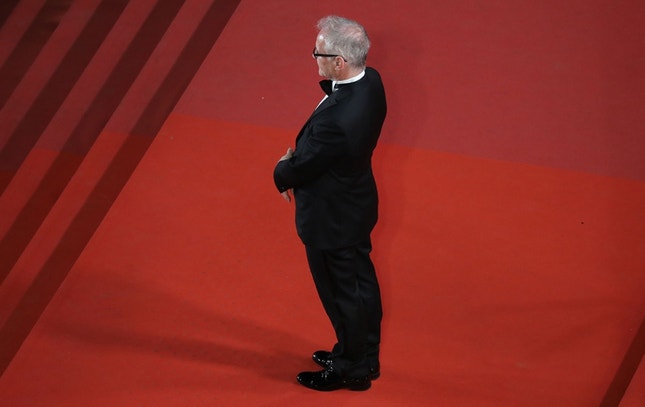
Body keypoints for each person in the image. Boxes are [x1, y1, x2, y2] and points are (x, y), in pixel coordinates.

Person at [273, 15, 387, 392]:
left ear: (339, 61)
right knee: (360, 285)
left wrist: (282, 170)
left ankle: (351, 369)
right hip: (355, 205)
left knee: (341, 296)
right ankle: (363, 354)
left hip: (331, 220)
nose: (313, 58)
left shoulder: (336, 120)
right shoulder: (371, 81)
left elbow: (304, 166)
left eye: (317, 53)